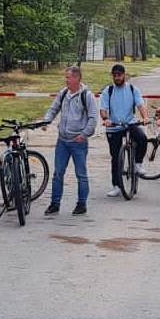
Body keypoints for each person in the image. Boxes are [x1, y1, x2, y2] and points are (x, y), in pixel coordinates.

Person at [42, 64, 98, 216]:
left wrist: (84, 134)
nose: (66, 80)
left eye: (68, 77)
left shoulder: (87, 95)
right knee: (58, 173)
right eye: (66, 77)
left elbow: (93, 118)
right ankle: (55, 203)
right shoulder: (63, 93)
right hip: (62, 141)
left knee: (81, 174)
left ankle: (81, 204)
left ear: (77, 78)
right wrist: (46, 121)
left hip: (78, 142)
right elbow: (53, 109)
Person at [100, 63, 152, 196]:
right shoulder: (108, 91)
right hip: (114, 126)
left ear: (124, 75)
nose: (117, 77)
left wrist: (145, 117)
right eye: (115, 75)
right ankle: (116, 186)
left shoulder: (132, 89)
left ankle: (138, 164)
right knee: (116, 157)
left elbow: (140, 105)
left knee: (142, 138)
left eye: (119, 75)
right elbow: (103, 109)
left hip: (130, 123)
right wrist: (106, 119)